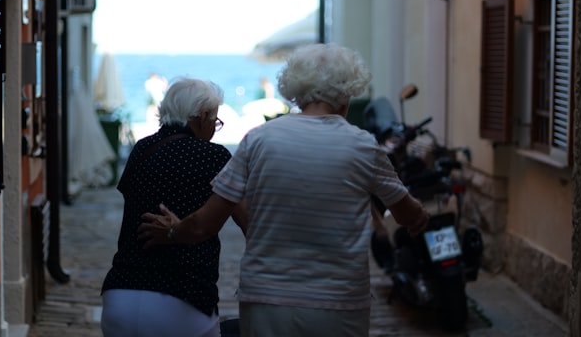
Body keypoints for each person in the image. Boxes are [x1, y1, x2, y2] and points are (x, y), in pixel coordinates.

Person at [138, 43, 431, 337]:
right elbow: (407, 213)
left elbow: (205, 223)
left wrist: (174, 232)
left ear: (296, 90)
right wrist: (419, 217)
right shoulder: (363, 146)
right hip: (339, 304)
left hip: (265, 301)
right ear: (347, 93)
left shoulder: (258, 140)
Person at [101, 77, 246, 337]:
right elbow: (249, 221)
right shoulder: (214, 156)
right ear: (201, 116)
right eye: (215, 121)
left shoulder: (141, 149)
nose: (214, 128)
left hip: (120, 296)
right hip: (183, 299)